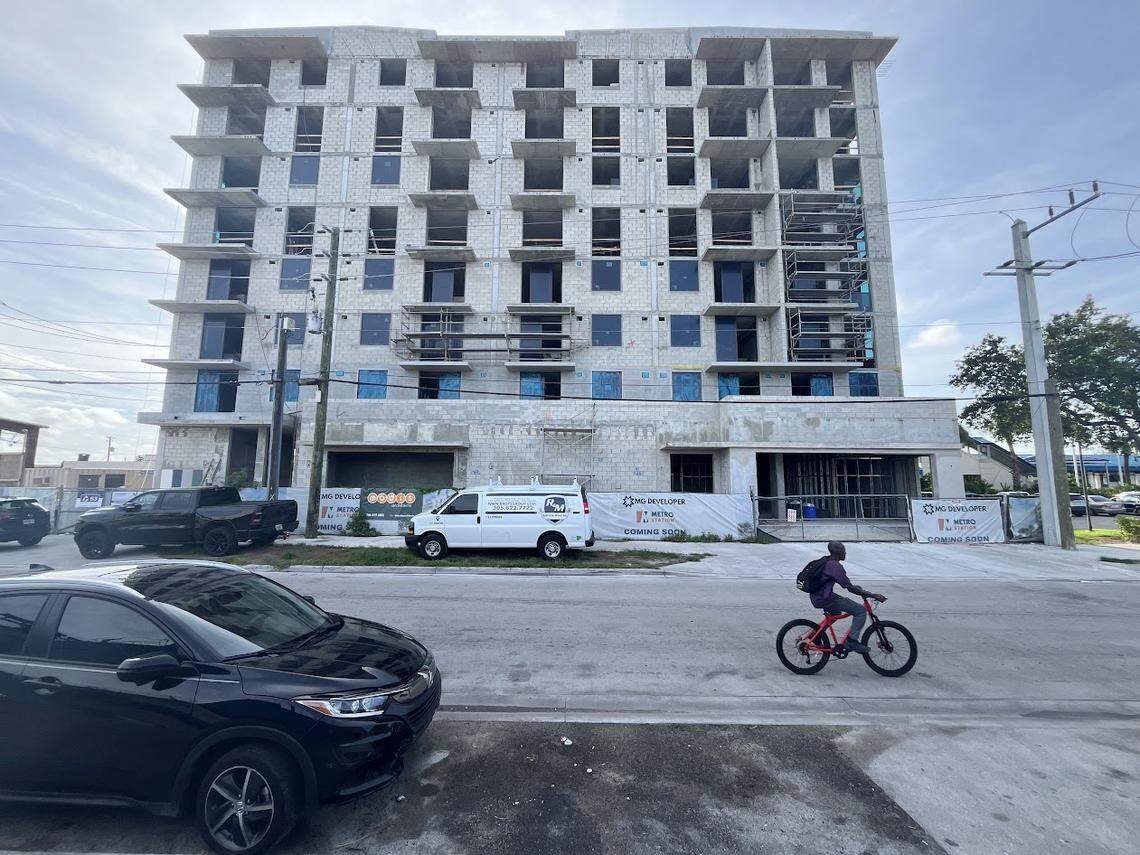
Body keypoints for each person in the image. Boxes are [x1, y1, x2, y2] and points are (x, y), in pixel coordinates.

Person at [810, 541, 886, 653]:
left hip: (818, 596)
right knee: (860, 610)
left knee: (835, 614)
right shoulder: (835, 566)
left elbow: (847, 584)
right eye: (844, 551)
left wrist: (857, 589)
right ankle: (851, 641)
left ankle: (816, 636)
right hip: (825, 598)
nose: (845, 553)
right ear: (838, 552)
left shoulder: (827, 561)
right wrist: (872, 595)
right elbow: (849, 588)